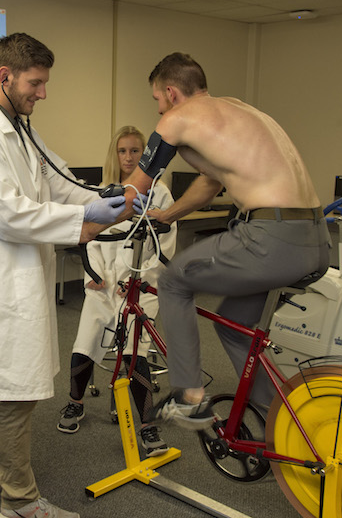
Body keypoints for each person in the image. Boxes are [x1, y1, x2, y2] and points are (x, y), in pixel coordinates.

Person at [0, 33, 124, 518]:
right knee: (15, 391)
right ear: (5, 77)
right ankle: (20, 503)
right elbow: (9, 214)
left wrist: (100, 195)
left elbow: (56, 180)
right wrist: (85, 222)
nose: (43, 93)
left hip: (13, 280)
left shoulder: (18, 125)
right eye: (36, 82)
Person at [126, 52, 330, 428]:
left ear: (171, 93)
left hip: (271, 239)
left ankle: (188, 397)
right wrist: (168, 215)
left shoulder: (177, 118)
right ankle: (280, 427)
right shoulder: (239, 110)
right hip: (315, 238)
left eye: (157, 100)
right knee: (232, 324)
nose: (158, 111)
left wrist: (86, 226)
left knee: (173, 280)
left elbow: (133, 189)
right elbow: (211, 182)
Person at [57, 125, 177, 458]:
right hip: (103, 285)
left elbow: (164, 246)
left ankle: (146, 425)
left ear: (146, 156)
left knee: (134, 354)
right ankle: (74, 403)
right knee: (85, 341)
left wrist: (138, 279)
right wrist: (93, 275)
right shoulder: (103, 191)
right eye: (123, 151)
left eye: (135, 151)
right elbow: (92, 237)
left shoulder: (161, 194)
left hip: (141, 287)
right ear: (115, 154)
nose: (128, 157)